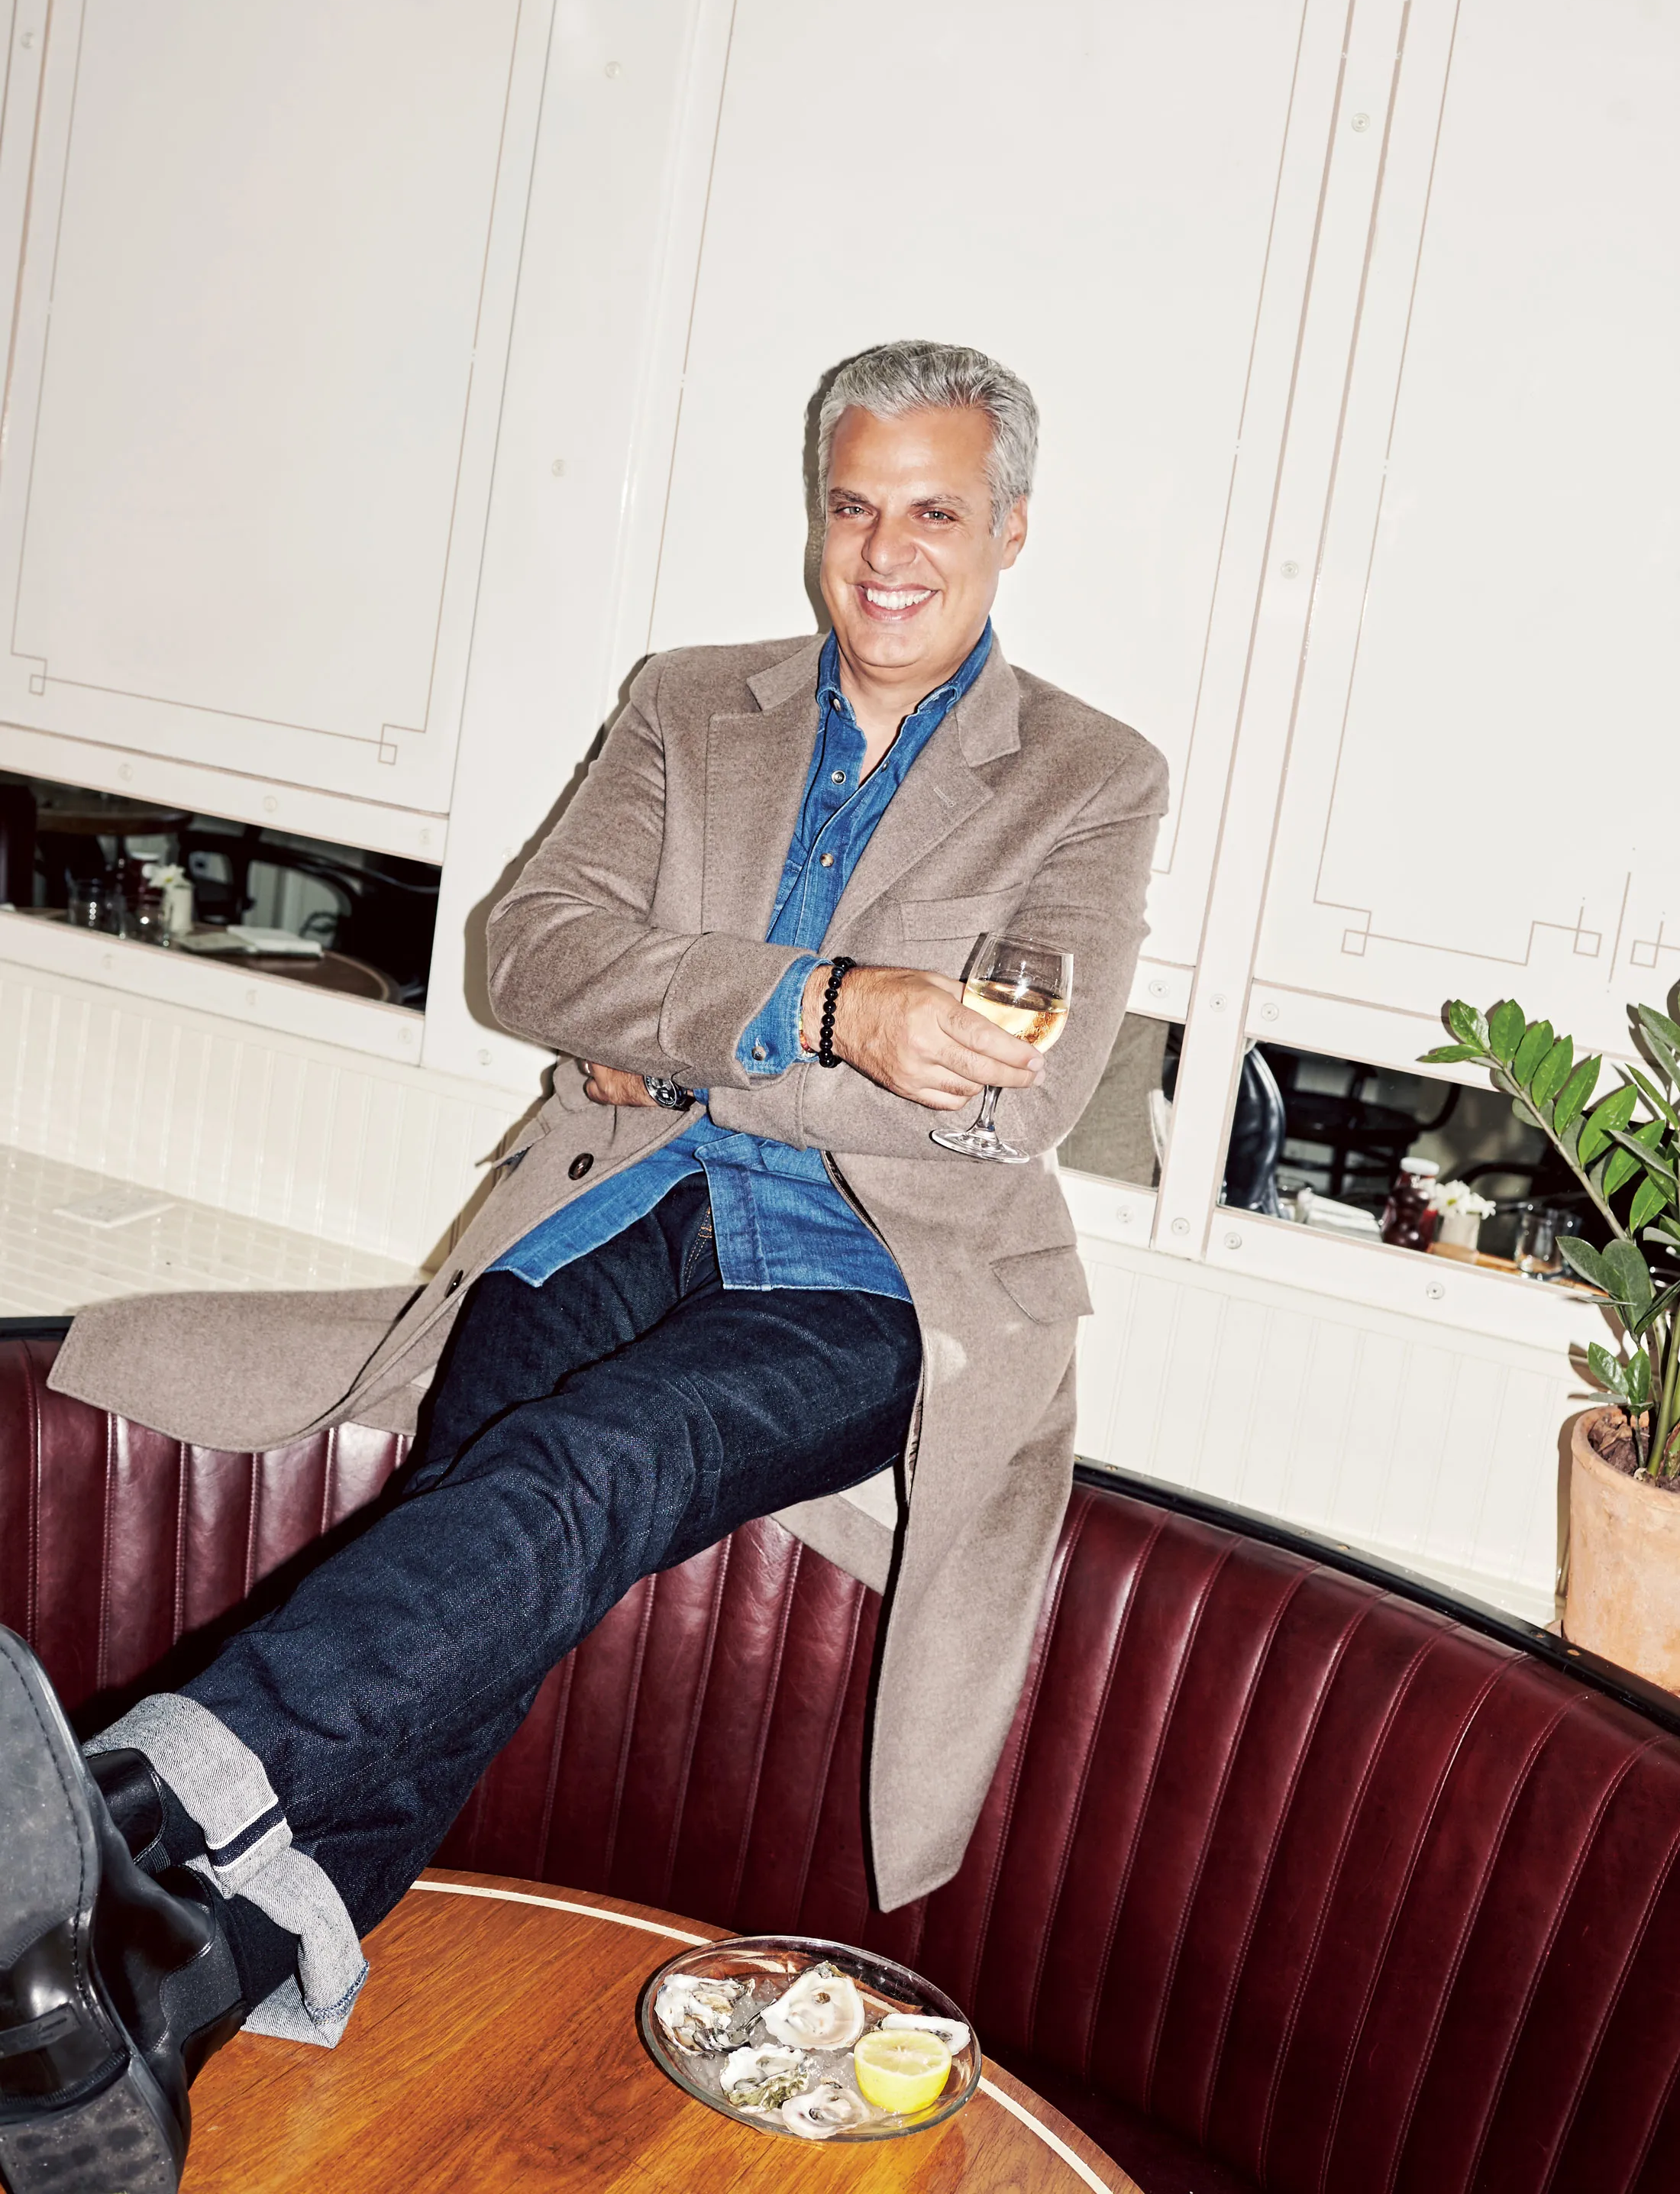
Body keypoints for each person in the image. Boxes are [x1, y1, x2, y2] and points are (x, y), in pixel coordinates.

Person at [0, 341, 1168, 2192]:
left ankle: (129, 1805)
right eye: (850, 505)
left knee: (591, 1461)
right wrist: (833, 1013)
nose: (883, 552)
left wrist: (686, 1037)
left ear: (1008, 528)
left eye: (933, 511)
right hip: (610, 1202)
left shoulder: (1091, 776)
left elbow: (1011, 1106)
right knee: (486, 1530)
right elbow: (530, 954)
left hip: (875, 1274)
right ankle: (163, 1993)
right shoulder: (688, 701)